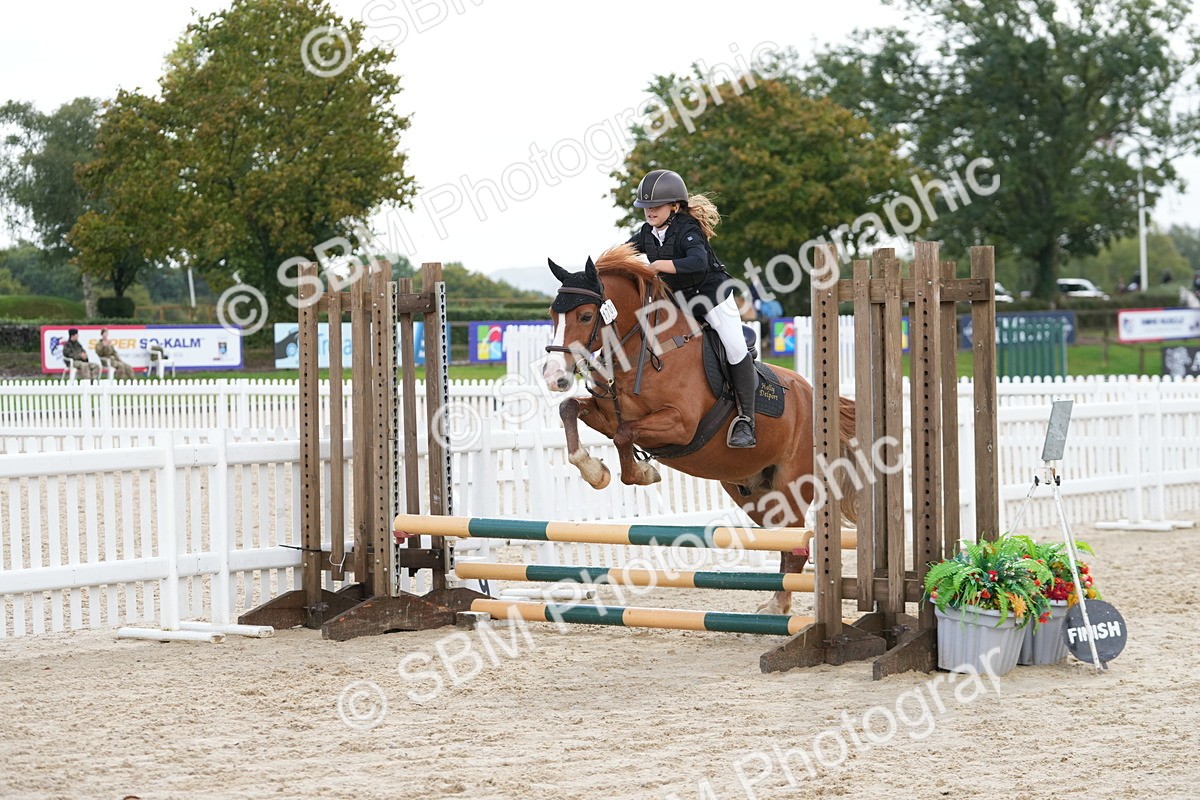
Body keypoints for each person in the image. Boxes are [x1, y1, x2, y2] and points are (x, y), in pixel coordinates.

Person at [626, 169, 757, 448]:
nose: (649, 211)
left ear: (675, 206)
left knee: (735, 347)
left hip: (713, 297)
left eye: (656, 206)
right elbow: (624, 254)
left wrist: (659, 265)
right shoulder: (647, 233)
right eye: (646, 207)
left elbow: (698, 262)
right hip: (681, 302)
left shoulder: (687, 228)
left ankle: (746, 420)